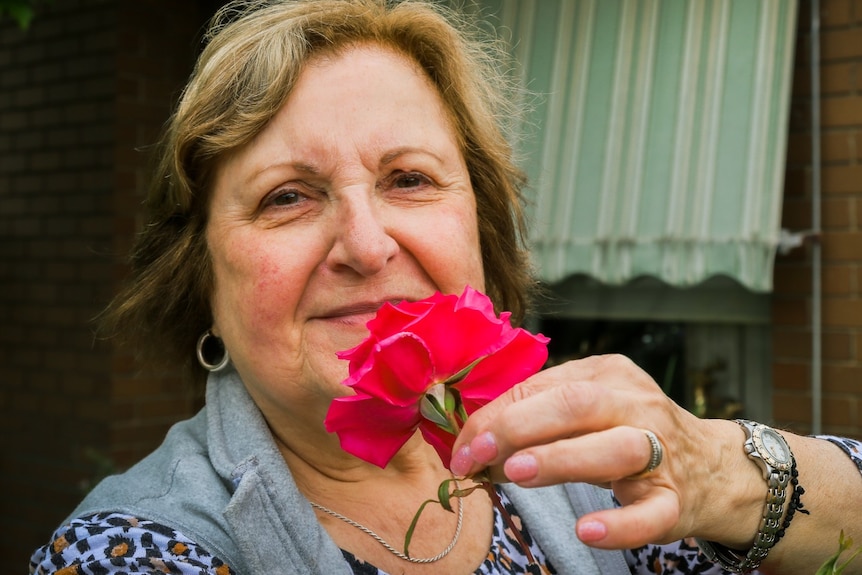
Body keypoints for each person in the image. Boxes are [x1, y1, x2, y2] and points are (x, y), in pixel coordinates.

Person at [30, 1, 862, 574]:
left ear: (481, 233)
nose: (364, 243)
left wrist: (719, 469)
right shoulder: (138, 545)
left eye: (411, 179)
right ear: (199, 279)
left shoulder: (590, 469)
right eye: (287, 195)